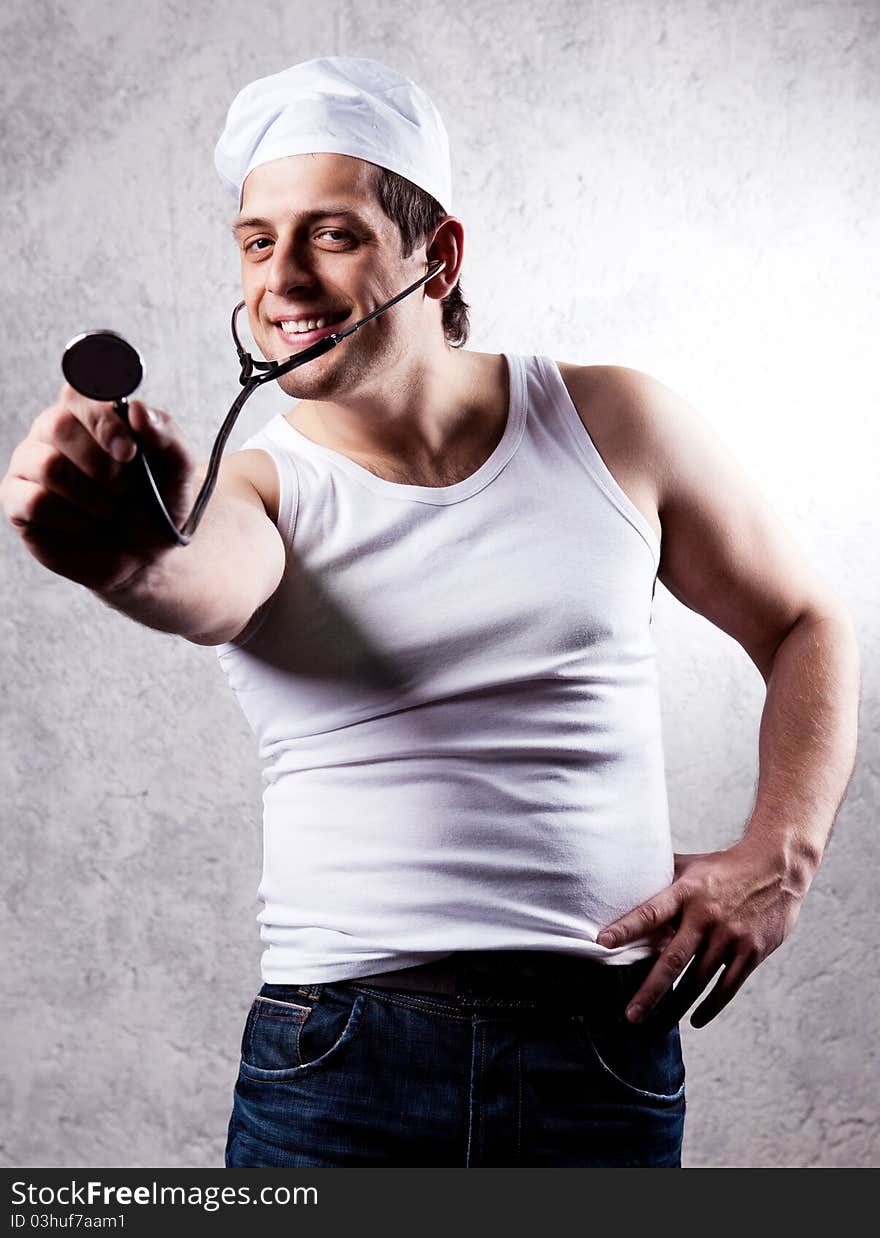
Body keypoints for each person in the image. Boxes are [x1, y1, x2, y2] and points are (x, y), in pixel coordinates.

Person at [0, 57, 860, 1169]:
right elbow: (198, 581)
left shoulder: (613, 420)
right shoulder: (258, 486)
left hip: (604, 1053)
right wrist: (121, 559)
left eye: (332, 233)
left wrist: (778, 852)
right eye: (257, 241)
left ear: (436, 255)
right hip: (338, 1066)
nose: (282, 280)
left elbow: (806, 618)